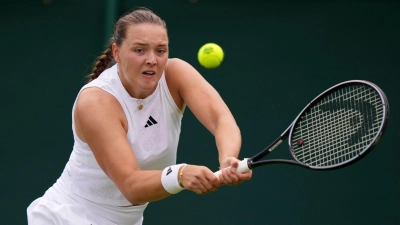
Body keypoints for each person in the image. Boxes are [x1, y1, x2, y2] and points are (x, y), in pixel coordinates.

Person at [27, 7, 252, 225]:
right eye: (140, 50)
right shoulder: (96, 102)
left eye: (160, 50)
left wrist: (227, 160)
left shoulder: (176, 74)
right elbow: (131, 185)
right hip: (69, 217)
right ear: (117, 52)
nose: (152, 59)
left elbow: (221, 120)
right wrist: (180, 174)